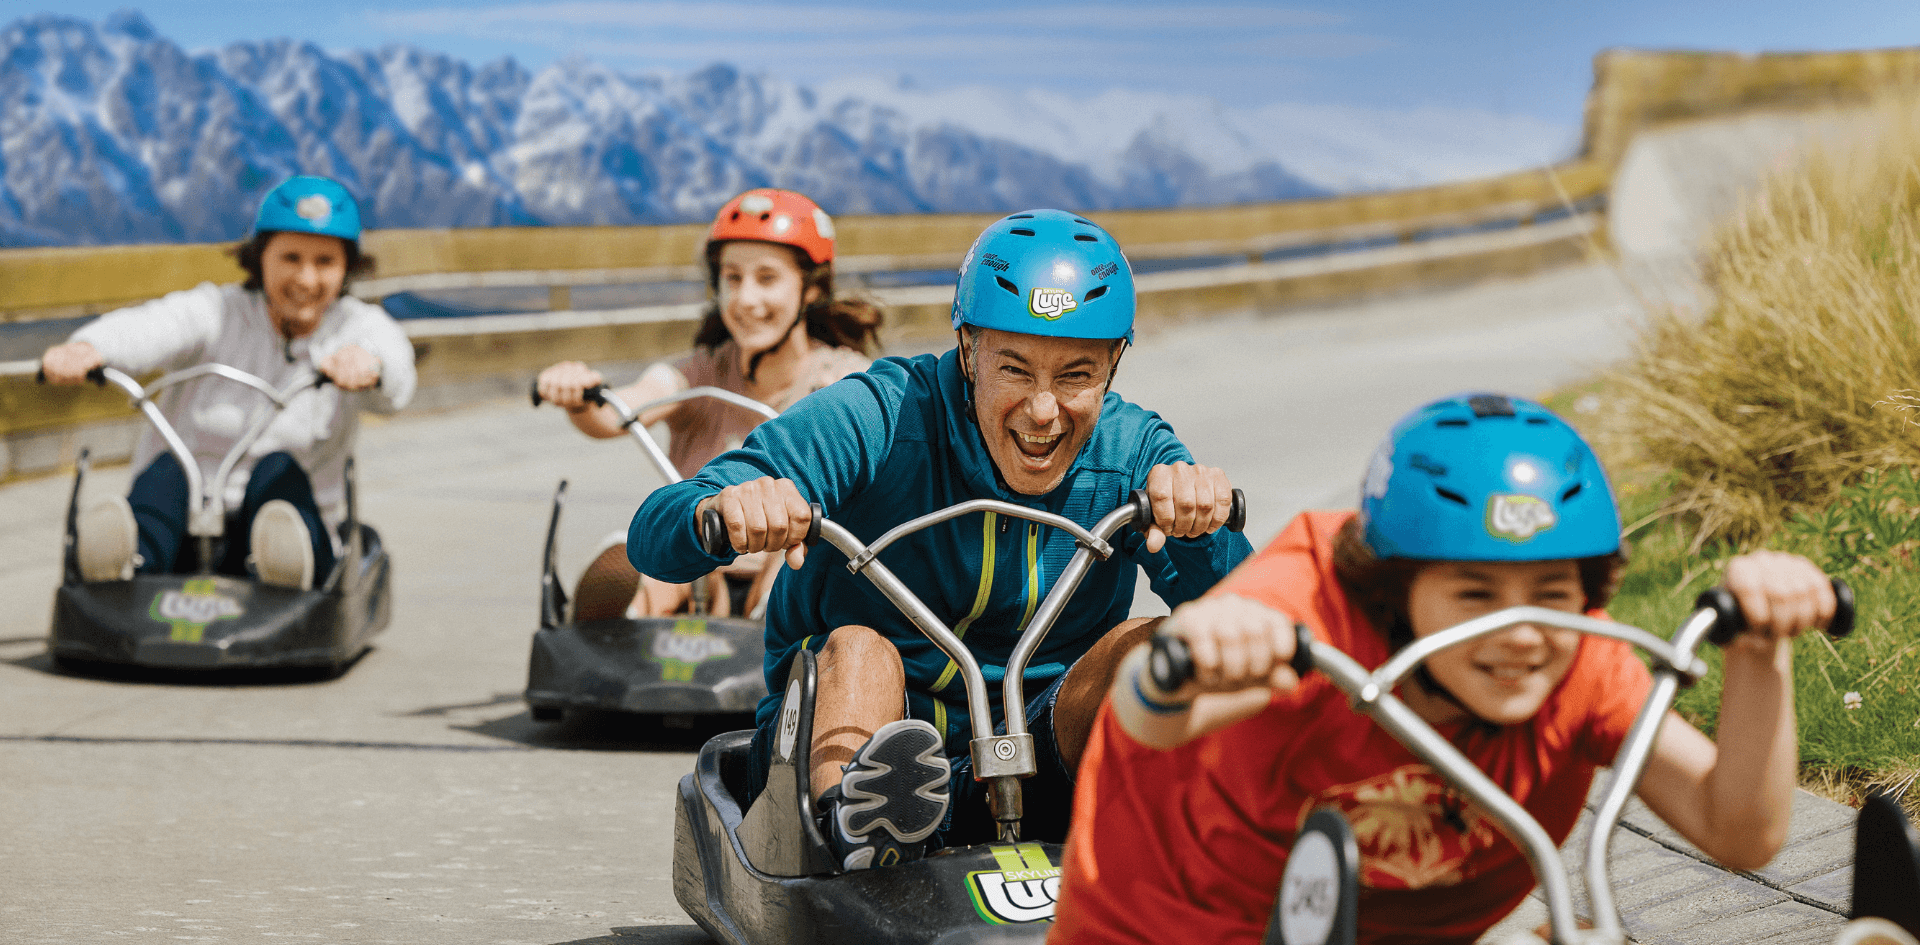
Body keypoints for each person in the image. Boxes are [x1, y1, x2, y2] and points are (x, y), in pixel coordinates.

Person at [1049, 393, 1843, 945]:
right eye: (1474, 594)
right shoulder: (1304, 618)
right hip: (1174, 924)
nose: (1520, 633)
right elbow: (1148, 719)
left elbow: (1739, 831)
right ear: (1396, 591)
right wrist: (1195, 659)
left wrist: (1761, 652)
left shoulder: (1575, 653)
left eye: (1551, 591)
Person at [630, 208, 1254, 872]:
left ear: (1113, 366)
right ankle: (859, 845)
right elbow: (655, 533)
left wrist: (1198, 527)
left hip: (1038, 759)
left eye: (1076, 376)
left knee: (1158, 648)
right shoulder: (878, 414)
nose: (1044, 411)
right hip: (849, 745)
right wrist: (729, 508)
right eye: (1015, 369)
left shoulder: (1132, 449)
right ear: (968, 350)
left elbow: (1252, 615)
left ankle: (1165, 853)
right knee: (861, 650)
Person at [40, 176, 416, 590]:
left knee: (278, 470)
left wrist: (370, 364)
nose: (307, 279)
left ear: (347, 268)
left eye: (324, 262)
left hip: (289, 532)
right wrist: (90, 348)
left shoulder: (356, 327)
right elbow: (154, 326)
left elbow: (395, 370)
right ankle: (126, 566)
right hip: (187, 523)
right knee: (165, 474)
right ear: (261, 258)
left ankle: (289, 569)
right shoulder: (219, 311)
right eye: (291, 258)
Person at [534, 189, 880, 621]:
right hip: (699, 568)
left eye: (767, 278)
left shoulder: (843, 380)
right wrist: (581, 394)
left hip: (785, 574)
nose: (745, 299)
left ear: (811, 288)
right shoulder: (702, 373)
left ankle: (771, 640)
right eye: (732, 278)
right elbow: (619, 411)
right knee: (645, 559)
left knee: (800, 563)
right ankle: (610, 640)